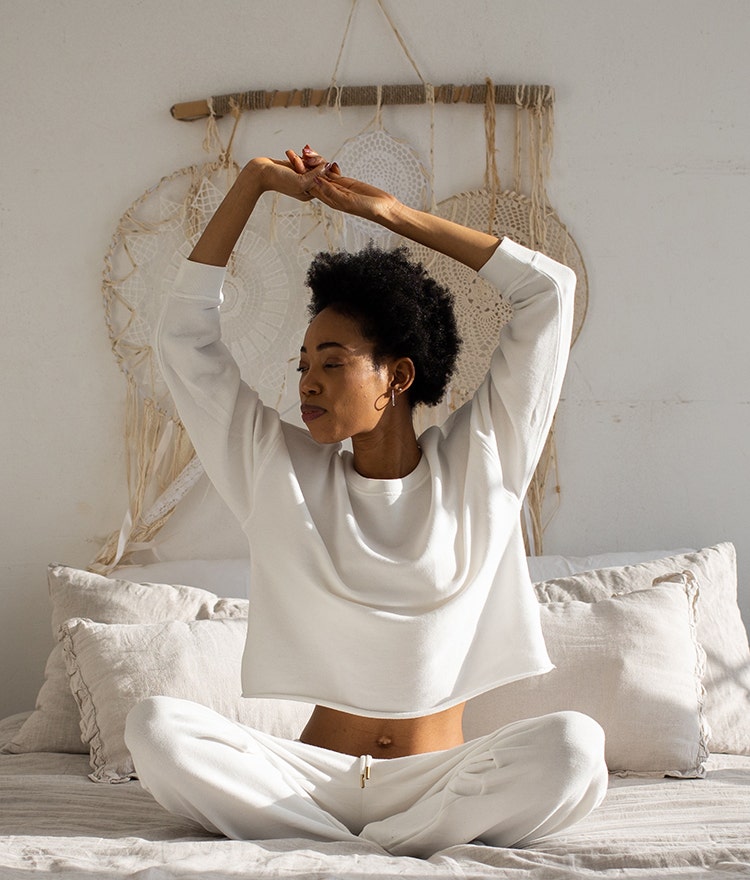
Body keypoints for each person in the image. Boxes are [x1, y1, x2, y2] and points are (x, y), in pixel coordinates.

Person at [125, 145, 607, 858]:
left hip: (442, 779)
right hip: (309, 778)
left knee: (575, 746)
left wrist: (390, 215)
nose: (307, 383)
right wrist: (253, 182)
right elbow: (183, 339)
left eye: (332, 362)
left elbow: (551, 292)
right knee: (155, 729)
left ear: (397, 376)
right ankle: (392, 850)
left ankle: (348, 848)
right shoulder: (275, 470)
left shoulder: (484, 463)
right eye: (302, 366)